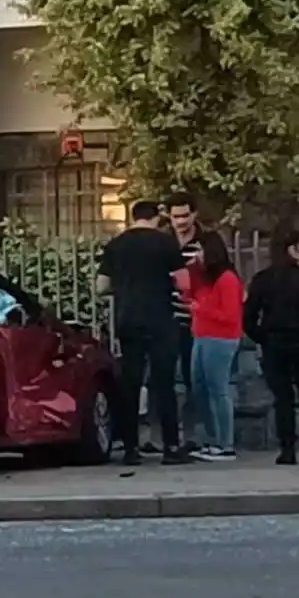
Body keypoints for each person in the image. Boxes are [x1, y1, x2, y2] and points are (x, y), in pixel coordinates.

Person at [98, 200, 192, 466]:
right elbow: (183, 282)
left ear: (133, 217)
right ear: (155, 218)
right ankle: (171, 447)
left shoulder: (116, 245)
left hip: (128, 319)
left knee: (131, 384)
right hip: (161, 319)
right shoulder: (166, 243)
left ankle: (130, 449)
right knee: (164, 385)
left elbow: (101, 286)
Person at [243, 226, 299, 467]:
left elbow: (248, 318)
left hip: (275, 345)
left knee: (282, 399)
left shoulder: (262, 280)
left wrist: (263, 337)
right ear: (292, 249)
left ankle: (287, 449)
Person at [186, 232, 244, 461]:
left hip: (221, 338)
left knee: (218, 389)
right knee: (200, 388)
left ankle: (226, 443)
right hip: (202, 335)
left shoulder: (227, 278)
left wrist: (200, 309)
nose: (197, 255)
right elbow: (188, 293)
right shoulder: (205, 278)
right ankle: (212, 440)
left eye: (200, 250)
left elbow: (230, 314)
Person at [158, 192, 204, 456]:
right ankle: (163, 436)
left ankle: (192, 435)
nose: (180, 221)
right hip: (167, 316)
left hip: (196, 317)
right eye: (175, 216)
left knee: (193, 380)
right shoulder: (162, 240)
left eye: (185, 215)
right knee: (163, 380)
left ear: (194, 214)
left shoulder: (207, 240)